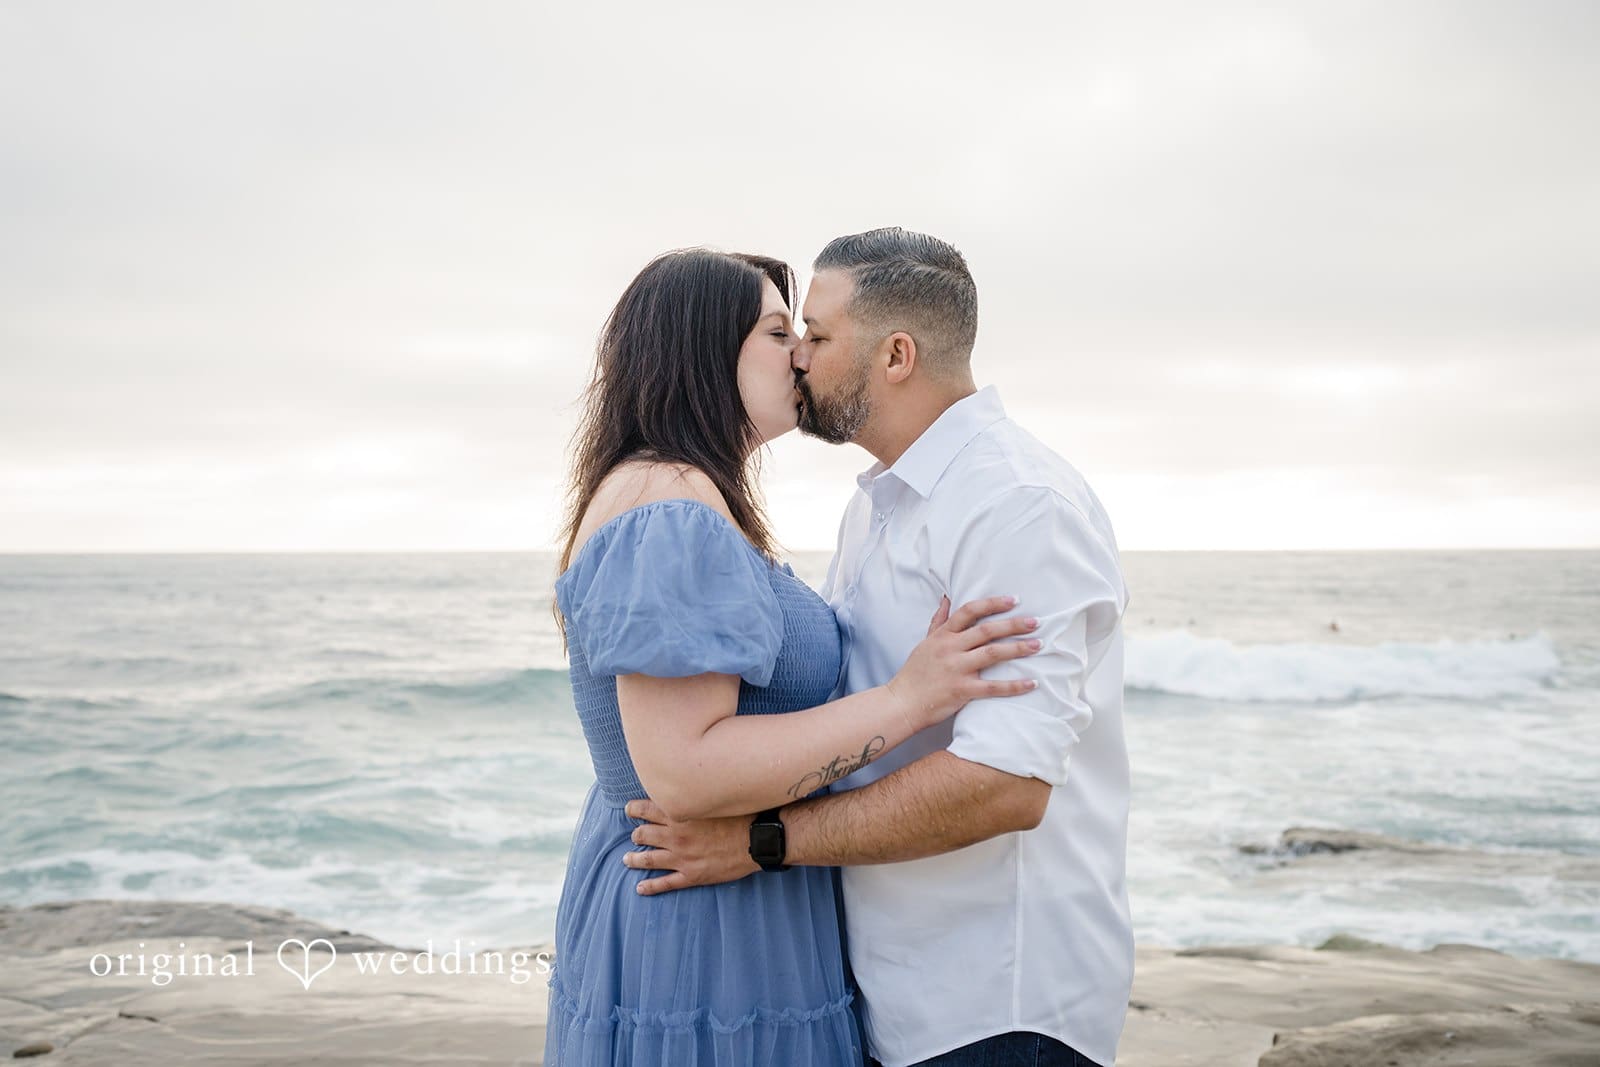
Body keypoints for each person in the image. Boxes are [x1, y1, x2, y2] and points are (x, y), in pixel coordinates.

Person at [623, 229, 1134, 1067]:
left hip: (995, 1003)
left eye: (816, 335)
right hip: (892, 989)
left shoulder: (1016, 505)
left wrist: (761, 840)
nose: (797, 356)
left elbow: (1005, 783)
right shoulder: (879, 504)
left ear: (896, 355)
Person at [543, 247, 1043, 1066]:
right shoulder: (670, 503)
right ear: (705, 350)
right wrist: (906, 700)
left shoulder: (687, 494)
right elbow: (684, 770)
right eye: (779, 333)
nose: (801, 355)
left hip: (721, 897)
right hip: (704, 923)